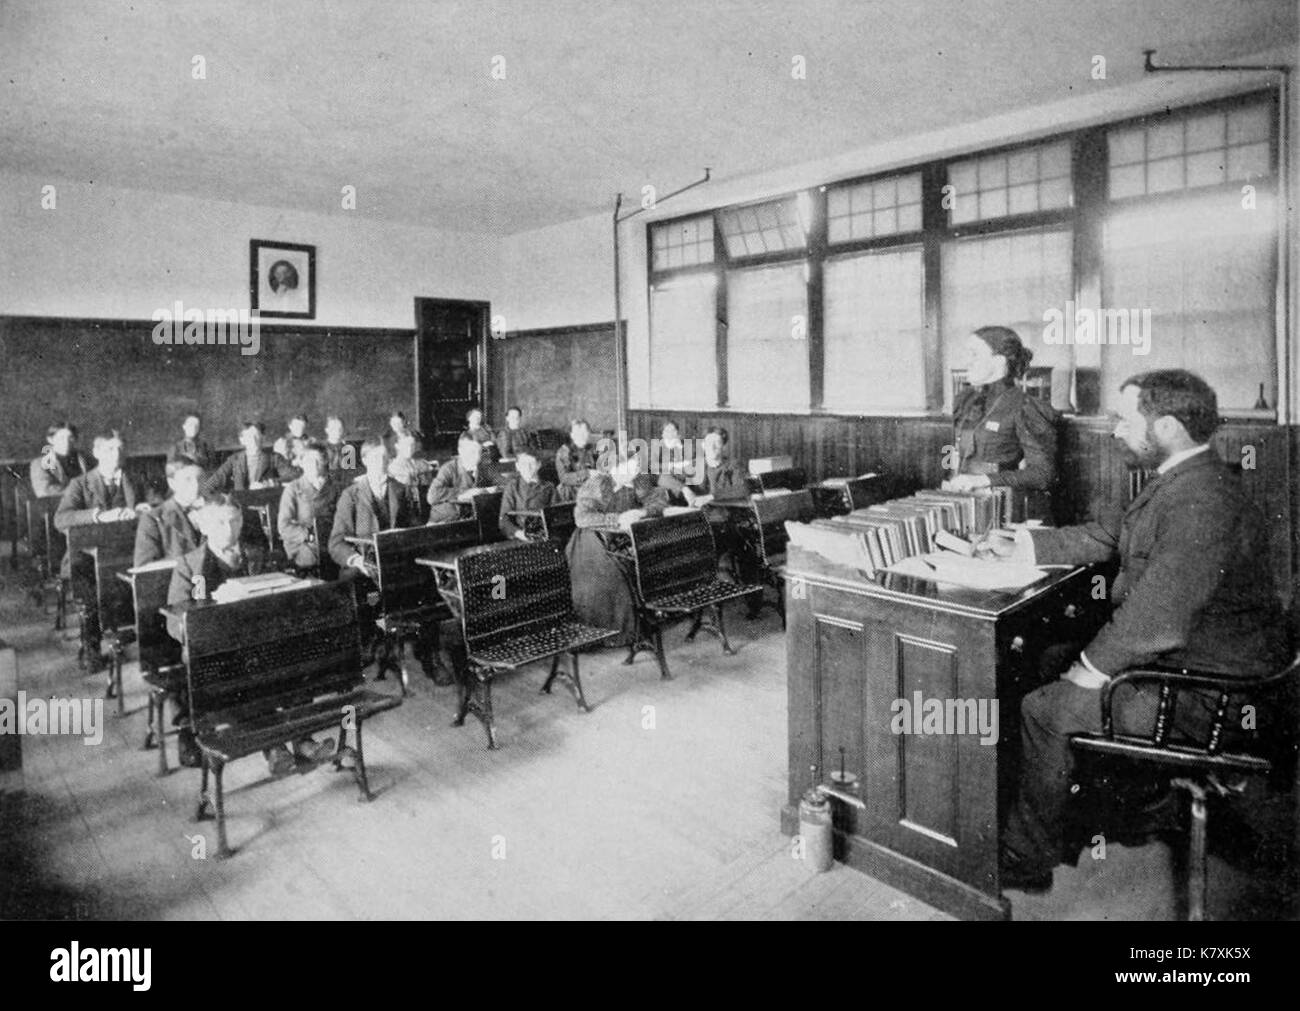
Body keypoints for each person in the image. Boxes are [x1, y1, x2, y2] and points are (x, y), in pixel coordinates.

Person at [977, 370, 1290, 892]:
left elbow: (1157, 620)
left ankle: (1026, 858)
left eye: (1125, 419)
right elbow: (1113, 534)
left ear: (1166, 426)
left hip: (1209, 693)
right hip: (1200, 661)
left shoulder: (1200, 499)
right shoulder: (1188, 477)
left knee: (1044, 709)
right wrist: (1025, 545)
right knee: (1049, 655)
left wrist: (1091, 670)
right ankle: (1140, 803)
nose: (1113, 430)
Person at [168, 495, 334, 773]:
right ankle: (276, 747)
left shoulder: (259, 557)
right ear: (204, 526)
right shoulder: (190, 565)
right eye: (219, 522)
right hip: (219, 654)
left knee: (295, 659)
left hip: (261, 644)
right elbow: (176, 622)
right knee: (242, 679)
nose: (227, 528)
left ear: (242, 522)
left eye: (234, 521)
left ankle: (303, 741)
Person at [330, 438, 450, 684]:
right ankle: (370, 643)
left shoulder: (399, 489)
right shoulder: (351, 495)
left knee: (430, 584)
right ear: (364, 461)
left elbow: (414, 527)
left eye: (384, 458)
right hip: (366, 565)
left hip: (398, 562)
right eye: (375, 458)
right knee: (357, 588)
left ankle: (429, 654)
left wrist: (419, 531)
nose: (381, 463)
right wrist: (356, 560)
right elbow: (336, 542)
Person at [54, 432, 149, 673]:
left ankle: (147, 645)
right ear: (96, 453)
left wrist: (144, 508)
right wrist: (97, 516)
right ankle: (91, 649)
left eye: (119, 449)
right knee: (88, 593)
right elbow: (61, 519)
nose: (115, 455)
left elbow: (159, 502)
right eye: (108, 450)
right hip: (87, 556)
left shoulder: (135, 479)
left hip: (128, 553)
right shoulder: (80, 483)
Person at [566, 451, 668, 646]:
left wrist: (642, 511)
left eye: (637, 467)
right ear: (615, 468)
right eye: (630, 467)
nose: (635, 471)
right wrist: (616, 519)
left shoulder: (636, 482)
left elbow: (660, 500)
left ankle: (644, 622)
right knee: (614, 573)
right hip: (591, 541)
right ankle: (615, 634)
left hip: (620, 538)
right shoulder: (599, 484)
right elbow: (582, 518)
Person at [943, 326, 1057, 494]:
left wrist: (983, 480)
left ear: (999, 361)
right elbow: (951, 451)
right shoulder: (965, 400)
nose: (967, 361)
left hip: (998, 503)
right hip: (960, 499)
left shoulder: (1024, 406)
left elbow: (1043, 474)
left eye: (974, 354)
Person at [133, 457, 205, 566]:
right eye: (188, 479)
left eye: (200, 479)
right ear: (172, 483)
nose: (196, 486)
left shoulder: (218, 510)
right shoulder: (153, 518)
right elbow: (145, 568)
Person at [278, 445, 340, 569]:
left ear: (326, 461)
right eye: (309, 460)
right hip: (303, 543)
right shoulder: (293, 488)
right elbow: (284, 526)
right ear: (301, 463)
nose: (314, 464)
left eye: (319, 460)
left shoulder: (336, 487)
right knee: (319, 557)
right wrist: (309, 535)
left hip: (332, 538)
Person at [202, 421, 298, 493]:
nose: (254, 441)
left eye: (257, 436)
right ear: (242, 440)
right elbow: (213, 482)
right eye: (249, 437)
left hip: (266, 507)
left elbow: (293, 475)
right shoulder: (234, 459)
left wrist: (270, 483)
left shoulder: (274, 458)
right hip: (241, 507)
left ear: (263, 438)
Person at [426, 435, 489, 524]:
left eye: (480, 452)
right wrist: (464, 493)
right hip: (444, 521)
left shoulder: (483, 468)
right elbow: (432, 496)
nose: (477, 457)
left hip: (470, 519)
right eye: (472, 452)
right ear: (460, 451)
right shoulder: (448, 468)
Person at [681, 427, 750, 506]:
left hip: (726, 510)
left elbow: (742, 488)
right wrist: (684, 489)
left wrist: (710, 497)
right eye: (709, 443)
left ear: (724, 447)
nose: (712, 447)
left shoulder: (734, 465)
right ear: (703, 445)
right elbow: (665, 477)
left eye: (717, 443)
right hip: (700, 511)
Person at [499, 450, 556, 540]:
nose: (528, 468)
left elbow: (556, 515)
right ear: (517, 466)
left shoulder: (548, 487)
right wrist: (519, 533)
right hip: (521, 534)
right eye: (524, 464)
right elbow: (504, 519)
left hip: (544, 533)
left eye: (532, 463)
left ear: (538, 465)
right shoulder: (513, 487)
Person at [30, 423, 91, 496]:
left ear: (75, 439)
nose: (66, 442)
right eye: (61, 438)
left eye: (70, 437)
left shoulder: (87, 459)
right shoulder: (40, 464)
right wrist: (79, 492)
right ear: (50, 440)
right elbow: (45, 491)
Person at [388, 430, 434, 520]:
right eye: (406, 445)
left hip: (423, 509)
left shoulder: (422, 464)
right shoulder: (393, 468)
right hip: (403, 511)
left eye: (412, 445)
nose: (410, 449)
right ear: (397, 446)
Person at [554, 418, 599, 503]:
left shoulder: (593, 449)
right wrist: (587, 473)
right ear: (572, 435)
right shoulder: (565, 451)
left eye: (585, 432)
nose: (582, 436)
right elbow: (564, 478)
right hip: (573, 493)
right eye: (578, 433)